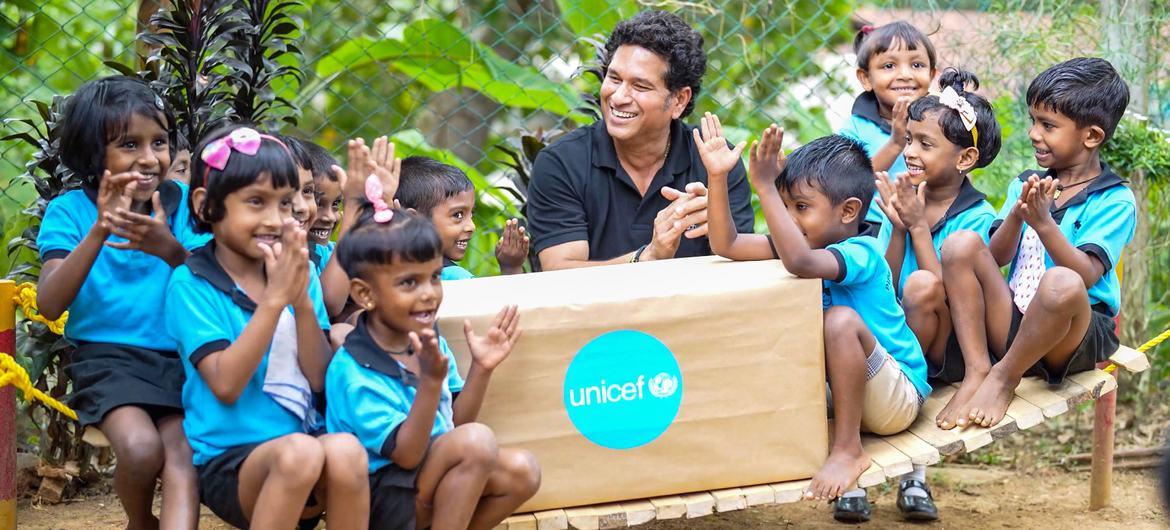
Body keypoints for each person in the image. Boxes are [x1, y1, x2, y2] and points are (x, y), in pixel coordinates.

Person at [695, 116, 928, 523]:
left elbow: (800, 263)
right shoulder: (803, 243)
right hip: (843, 395)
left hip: (897, 397)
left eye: (800, 207)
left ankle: (848, 449)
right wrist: (718, 177)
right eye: (785, 208)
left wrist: (765, 186)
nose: (789, 219)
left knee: (838, 321)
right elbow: (727, 244)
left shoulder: (861, 252)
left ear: (849, 211)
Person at [167, 125, 369, 529]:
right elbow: (225, 384)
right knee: (301, 453)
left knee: (346, 450)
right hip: (233, 461)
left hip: (303, 448)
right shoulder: (192, 284)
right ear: (207, 206)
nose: (275, 219)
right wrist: (276, 301)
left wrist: (302, 306)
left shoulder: (300, 271)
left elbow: (317, 378)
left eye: (284, 203)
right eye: (256, 202)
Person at [35, 75, 204, 530]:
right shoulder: (69, 212)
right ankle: (139, 521)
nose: (151, 159)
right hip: (107, 361)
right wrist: (100, 231)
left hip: (182, 359)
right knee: (140, 449)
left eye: (160, 142)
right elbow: (49, 304)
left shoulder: (183, 203)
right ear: (95, 155)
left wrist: (169, 249)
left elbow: (216, 283)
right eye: (130, 144)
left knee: (183, 454)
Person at [941, 57, 1135, 430]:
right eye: (1033, 120)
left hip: (1071, 335)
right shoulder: (1026, 183)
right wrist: (1018, 213)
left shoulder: (1114, 200)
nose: (1033, 133)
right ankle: (978, 368)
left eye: (1048, 125)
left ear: (1091, 136)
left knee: (1060, 282)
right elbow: (996, 256)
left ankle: (1003, 378)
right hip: (1015, 322)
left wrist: (1045, 224)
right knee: (960, 244)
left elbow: (1086, 275)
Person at [326, 204, 541, 530]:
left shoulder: (426, 342)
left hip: (427, 480)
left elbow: (455, 424)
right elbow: (407, 455)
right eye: (409, 283)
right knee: (477, 441)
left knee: (522, 471)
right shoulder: (354, 371)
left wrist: (482, 368)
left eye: (434, 277)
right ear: (365, 294)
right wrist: (429, 383)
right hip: (383, 499)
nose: (428, 294)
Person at [870, 68, 1001, 521]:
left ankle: (914, 474)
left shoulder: (978, 217)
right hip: (897, 329)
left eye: (926, 145)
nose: (910, 152)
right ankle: (858, 481)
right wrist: (899, 227)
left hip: (945, 348)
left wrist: (919, 225)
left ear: (964, 159)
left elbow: (941, 290)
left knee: (924, 284)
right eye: (909, 140)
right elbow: (883, 281)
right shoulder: (906, 195)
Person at [527, 10, 754, 270]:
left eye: (640, 86)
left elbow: (737, 267)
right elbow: (559, 272)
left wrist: (719, 226)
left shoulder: (715, 162)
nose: (618, 96)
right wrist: (648, 257)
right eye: (614, 78)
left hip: (694, 308)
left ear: (679, 100)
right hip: (598, 311)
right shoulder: (561, 163)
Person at [840, 21, 938, 226]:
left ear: (931, 75)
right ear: (865, 78)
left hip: (929, 228)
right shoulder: (856, 127)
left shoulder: (942, 124)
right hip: (870, 229)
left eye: (917, 65)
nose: (904, 74)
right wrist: (895, 143)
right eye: (889, 66)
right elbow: (846, 184)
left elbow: (957, 176)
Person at [397, 156, 529, 279]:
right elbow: (505, 303)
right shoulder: (456, 277)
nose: (471, 226)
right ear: (414, 220)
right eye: (458, 215)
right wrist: (511, 268)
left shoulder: (388, 273)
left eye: (471, 214)